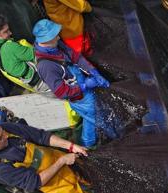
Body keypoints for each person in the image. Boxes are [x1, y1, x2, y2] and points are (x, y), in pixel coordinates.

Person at [32, 19, 113, 148]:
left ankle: (87, 142)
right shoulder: (46, 66)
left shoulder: (55, 45)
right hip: (79, 97)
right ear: (46, 39)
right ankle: (112, 138)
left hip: (82, 85)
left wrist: (94, 71)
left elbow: (76, 57)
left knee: (90, 118)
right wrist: (85, 85)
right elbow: (61, 92)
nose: (58, 37)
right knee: (99, 118)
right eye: (55, 35)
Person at [0, 13, 50, 93]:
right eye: (6, 31)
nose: (10, 33)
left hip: (31, 83)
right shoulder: (9, 47)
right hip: (44, 81)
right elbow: (39, 54)